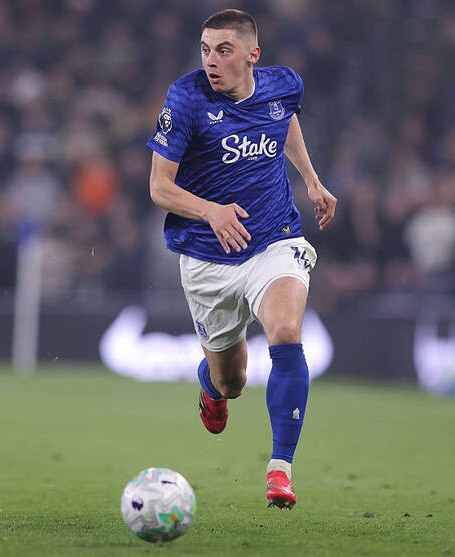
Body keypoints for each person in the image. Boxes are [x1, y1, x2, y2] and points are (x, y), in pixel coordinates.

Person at [147, 9, 337, 509]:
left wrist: (311, 180)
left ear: (253, 55)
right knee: (232, 382)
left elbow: (284, 119)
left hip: (274, 238)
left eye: (223, 50)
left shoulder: (283, 84)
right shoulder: (186, 98)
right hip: (207, 257)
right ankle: (210, 385)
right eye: (205, 50)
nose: (211, 61)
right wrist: (211, 211)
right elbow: (159, 187)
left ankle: (280, 470)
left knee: (286, 331)